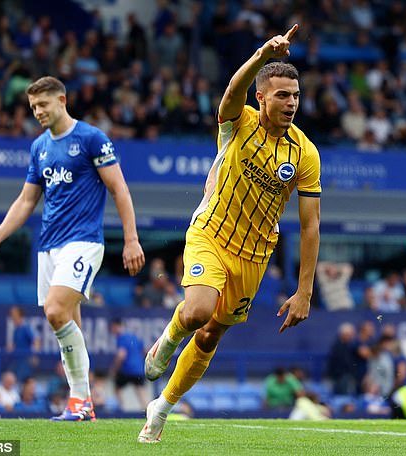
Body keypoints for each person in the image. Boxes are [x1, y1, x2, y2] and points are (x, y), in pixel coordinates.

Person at [138, 24, 321, 443]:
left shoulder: (305, 152)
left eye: (295, 96)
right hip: (211, 233)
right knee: (197, 311)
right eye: (281, 95)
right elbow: (228, 97)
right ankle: (167, 340)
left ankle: (161, 408)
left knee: (210, 333)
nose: (291, 103)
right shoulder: (238, 124)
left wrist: (304, 290)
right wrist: (261, 54)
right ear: (261, 97)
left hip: (255, 255)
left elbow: (310, 225)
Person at [0, 76, 145, 421]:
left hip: (83, 241)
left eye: (43, 105)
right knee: (67, 323)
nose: (38, 112)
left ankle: (81, 400)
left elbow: (120, 189)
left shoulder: (91, 138)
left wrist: (131, 239)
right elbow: (26, 201)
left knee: (55, 311)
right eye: (33, 107)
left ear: (62, 100)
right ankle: (81, 404)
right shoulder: (39, 146)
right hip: (48, 247)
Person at [109, 318, 148, 409]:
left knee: (117, 387)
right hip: (138, 369)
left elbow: (121, 355)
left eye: (112, 327)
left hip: (127, 369)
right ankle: (147, 411)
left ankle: (120, 409)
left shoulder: (121, 337)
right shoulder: (135, 337)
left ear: (116, 326)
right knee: (140, 390)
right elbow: (145, 351)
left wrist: (114, 369)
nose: (112, 330)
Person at [6, 305, 41, 382]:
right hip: (16, 360)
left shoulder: (26, 328)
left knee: (23, 381)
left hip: (25, 361)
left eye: (14, 314)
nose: (12, 316)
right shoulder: (16, 330)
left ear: (19, 315)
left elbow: (36, 340)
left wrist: (35, 355)